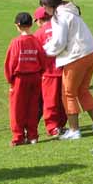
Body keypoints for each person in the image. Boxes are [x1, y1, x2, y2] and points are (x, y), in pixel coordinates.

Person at [41, 0, 93, 140]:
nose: (45, 11)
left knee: (68, 93)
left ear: (49, 5)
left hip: (77, 56)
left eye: (44, 7)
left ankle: (74, 130)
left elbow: (59, 42)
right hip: (91, 52)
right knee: (83, 90)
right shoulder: (70, 11)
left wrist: (45, 50)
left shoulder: (58, 16)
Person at [5, 12, 45, 146]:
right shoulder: (36, 40)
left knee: (17, 109)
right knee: (33, 107)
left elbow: (11, 63)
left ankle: (18, 137)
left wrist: (10, 80)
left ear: (17, 25)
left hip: (20, 79)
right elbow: (42, 59)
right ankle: (33, 135)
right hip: (35, 77)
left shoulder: (16, 42)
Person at [33, 7, 67, 137]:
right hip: (64, 69)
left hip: (48, 72)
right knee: (63, 100)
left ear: (40, 20)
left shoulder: (38, 34)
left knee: (50, 102)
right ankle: (61, 125)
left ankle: (53, 128)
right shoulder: (61, 28)